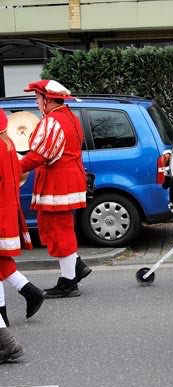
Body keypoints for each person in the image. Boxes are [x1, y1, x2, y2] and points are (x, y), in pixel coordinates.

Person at [19, 80, 92, 298]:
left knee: (59, 229)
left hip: (58, 182)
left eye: (37, 97)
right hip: (66, 178)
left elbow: (40, 156)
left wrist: (13, 166)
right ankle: (76, 267)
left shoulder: (53, 120)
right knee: (54, 226)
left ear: (48, 99)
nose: (35, 101)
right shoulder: (69, 116)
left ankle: (69, 282)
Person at [0, 109, 47, 328]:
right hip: (6, 210)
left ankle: (3, 318)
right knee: (1, 260)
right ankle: (30, 293)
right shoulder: (8, 146)